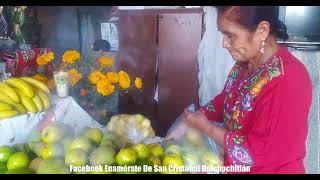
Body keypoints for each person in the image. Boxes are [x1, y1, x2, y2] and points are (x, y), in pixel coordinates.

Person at [177, 6, 312, 174]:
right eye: (222, 34)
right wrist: (196, 116)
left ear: (262, 30)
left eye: (231, 35)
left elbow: (259, 151)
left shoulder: (289, 80)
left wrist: (207, 128)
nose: (224, 44)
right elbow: (226, 100)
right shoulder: (245, 64)